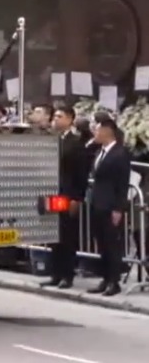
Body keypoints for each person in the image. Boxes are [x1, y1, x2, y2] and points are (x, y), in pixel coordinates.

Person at [41, 105, 90, 289]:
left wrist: (77, 198)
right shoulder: (53, 139)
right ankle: (55, 272)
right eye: (54, 116)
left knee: (67, 236)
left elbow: (81, 173)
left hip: (68, 194)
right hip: (53, 193)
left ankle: (67, 275)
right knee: (54, 234)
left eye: (60, 116)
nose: (55, 119)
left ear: (70, 119)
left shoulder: (76, 143)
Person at [86, 113, 131, 296]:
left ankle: (114, 281)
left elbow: (122, 183)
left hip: (111, 205)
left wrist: (118, 208)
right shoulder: (98, 151)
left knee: (112, 244)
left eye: (97, 129)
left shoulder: (120, 153)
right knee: (101, 243)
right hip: (97, 202)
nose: (94, 132)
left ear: (107, 131)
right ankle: (104, 277)